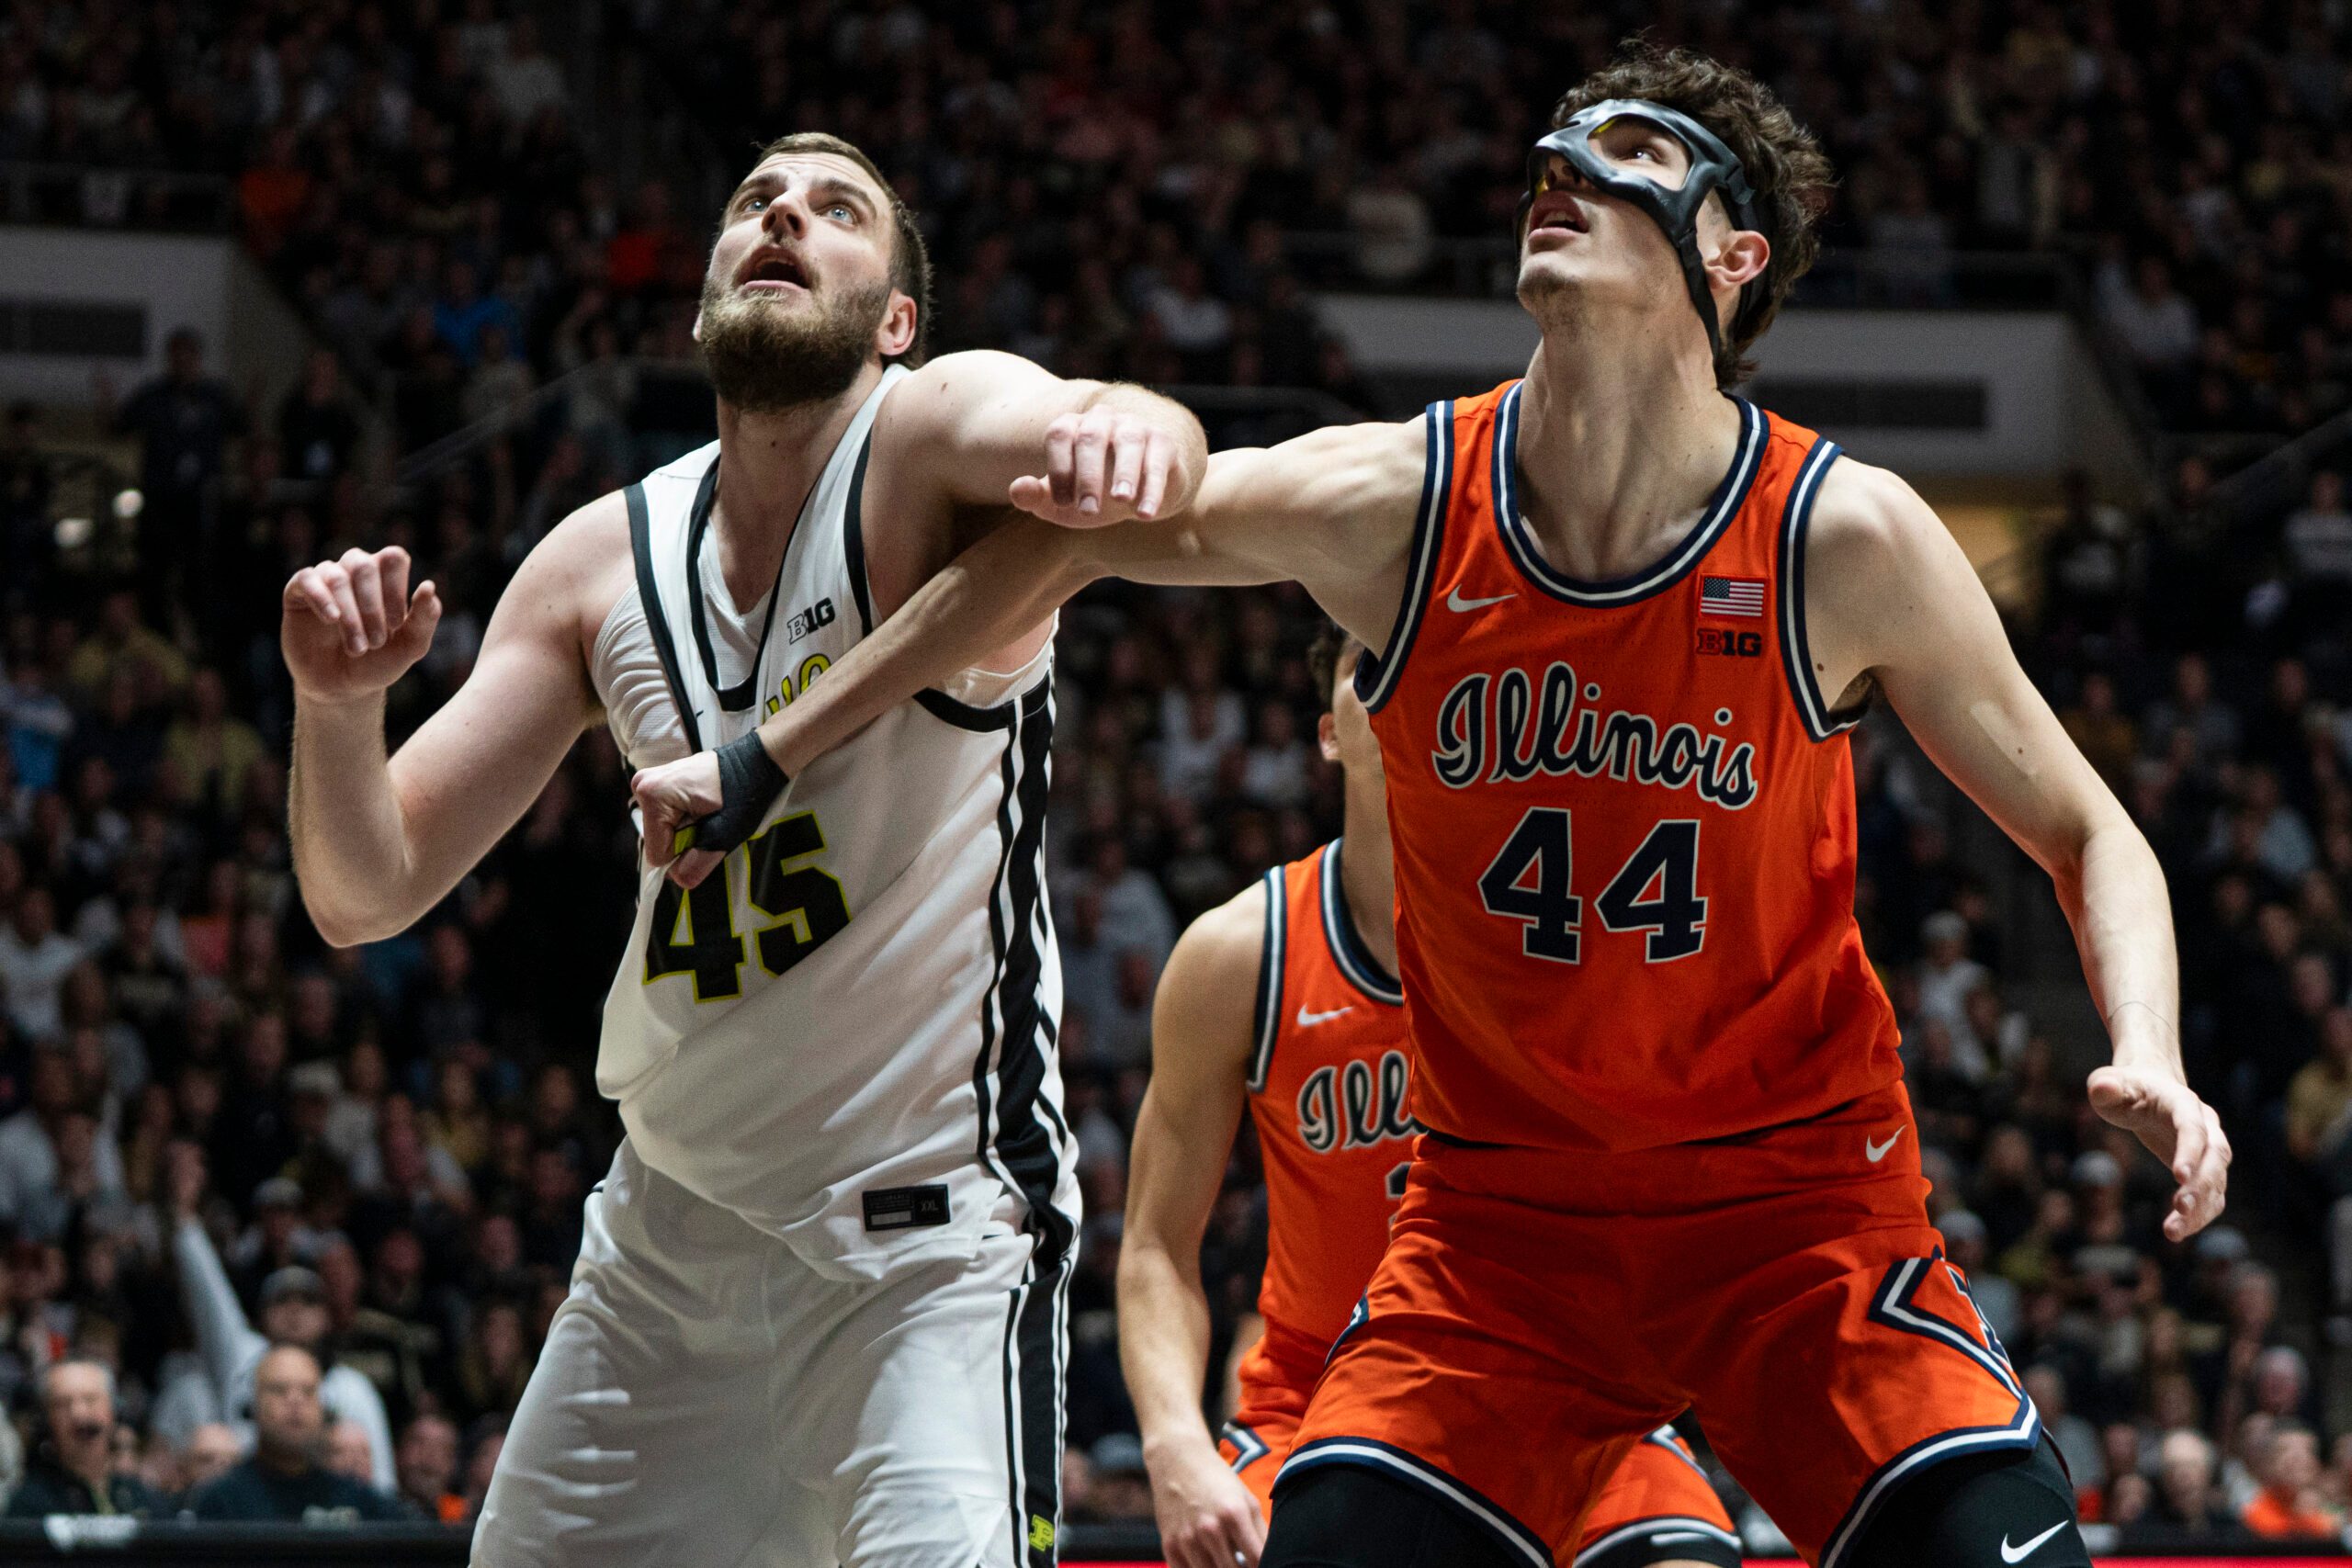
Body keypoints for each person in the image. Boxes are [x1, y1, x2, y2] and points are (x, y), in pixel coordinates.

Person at [633, 45, 2231, 1568]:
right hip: (1501, 1235)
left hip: (1794, 1214)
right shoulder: (1402, 506)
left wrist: (2149, 1048)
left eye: (1634, 154)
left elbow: (2091, 829)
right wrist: (773, 748)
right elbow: (1063, 537)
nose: (1564, 166)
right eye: (1556, 143)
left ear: (1735, 253)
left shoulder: (1840, 537)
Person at [278, 131, 1205, 1568]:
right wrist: (336, 709)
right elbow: (362, 891)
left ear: (897, 321)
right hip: (665, 1247)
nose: (786, 215)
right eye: (755, 203)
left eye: (840, 209)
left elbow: (1121, 433)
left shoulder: (926, 434)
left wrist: (1135, 422)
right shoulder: (598, 557)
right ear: (708, 286)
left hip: (921, 1257)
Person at [1121, 626, 1737, 1568]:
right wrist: (1172, 1445)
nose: (1403, 679)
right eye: (1371, 660)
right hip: (1317, 1410)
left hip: (1552, 1392)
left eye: (1431, 659)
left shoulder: (1570, 937)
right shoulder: (1240, 954)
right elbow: (1157, 1247)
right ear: (1329, 728)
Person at [164, 1145, 393, 1491]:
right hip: (248, 1511)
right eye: (282, 1301)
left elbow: (382, 1482)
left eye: (309, 1302)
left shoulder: (352, 1389)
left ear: (328, 1318)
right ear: (261, 1318)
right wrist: (184, 1218)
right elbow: (209, 1295)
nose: (295, 1310)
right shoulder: (242, 1356)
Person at [186, 1345, 408, 1523]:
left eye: (308, 1391)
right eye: (279, 1389)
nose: (295, 1401)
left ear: (323, 1408)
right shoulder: (222, 1502)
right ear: (253, 1405)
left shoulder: (359, 1502)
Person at [3, 1359, 169, 1517]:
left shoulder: (144, 1499)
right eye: (63, 1404)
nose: (79, 1414)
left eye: (90, 1400)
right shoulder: (29, 1506)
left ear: (114, 1410)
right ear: (46, 1420)